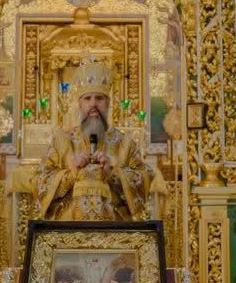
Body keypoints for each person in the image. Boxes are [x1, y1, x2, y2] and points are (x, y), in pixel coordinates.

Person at [35, 63, 152, 223]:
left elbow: (145, 177)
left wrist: (112, 174)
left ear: (108, 102)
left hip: (114, 229)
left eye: (99, 98)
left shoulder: (125, 143)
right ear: (80, 104)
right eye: (87, 98)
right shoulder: (63, 141)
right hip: (68, 229)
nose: (93, 104)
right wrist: (72, 174)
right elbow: (40, 180)